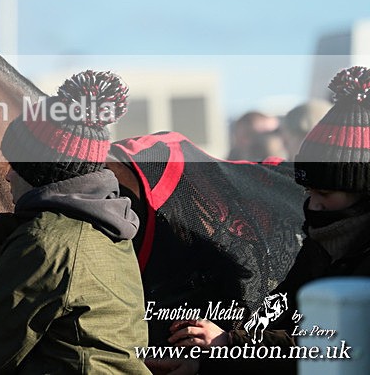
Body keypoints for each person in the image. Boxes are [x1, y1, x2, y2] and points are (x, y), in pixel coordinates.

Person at [0, 70, 149, 374]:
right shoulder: (109, 228)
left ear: (38, 171)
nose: (8, 175)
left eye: (16, 165)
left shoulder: (46, 240)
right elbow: (37, 289)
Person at [150, 66, 370, 375]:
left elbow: (333, 345)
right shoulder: (321, 242)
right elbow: (285, 320)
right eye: (308, 192)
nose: (313, 205)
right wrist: (204, 362)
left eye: (324, 193)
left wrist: (228, 343)